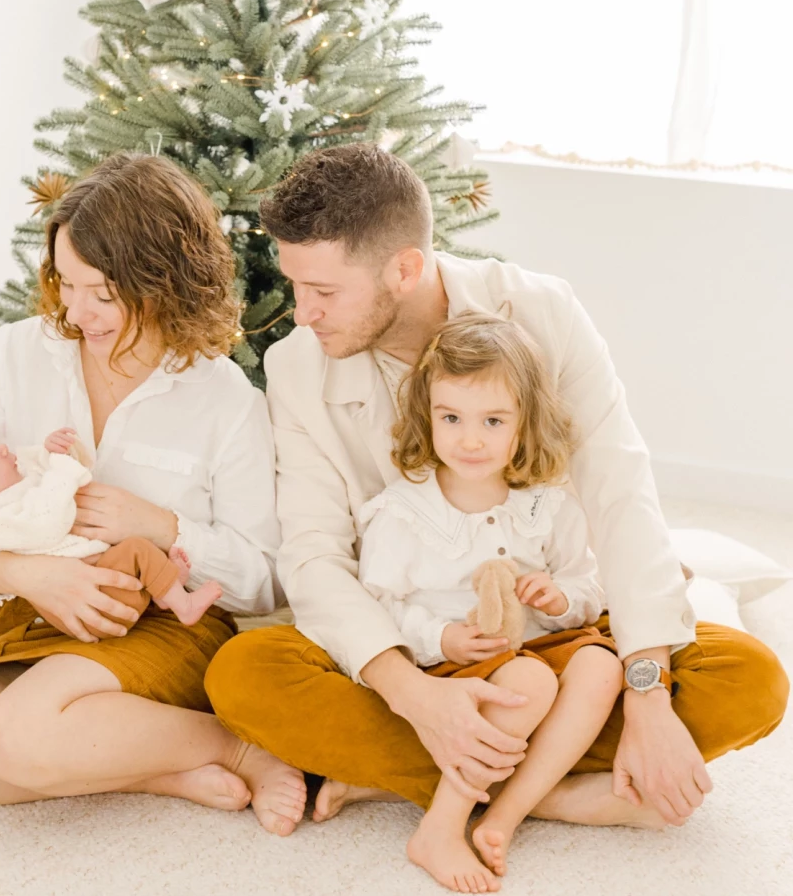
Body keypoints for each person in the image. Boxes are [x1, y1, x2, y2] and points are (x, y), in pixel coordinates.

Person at [206, 144, 788, 836]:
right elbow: (313, 555)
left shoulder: (543, 311)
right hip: (419, 643)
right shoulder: (298, 367)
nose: (303, 313)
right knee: (243, 673)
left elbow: (619, 495)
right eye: (295, 286)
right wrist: (417, 697)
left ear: (405, 269)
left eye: (324, 292)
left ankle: (417, 774)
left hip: (556, 639)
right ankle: (550, 791)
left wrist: (648, 694)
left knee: (751, 680)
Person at [0, 153, 304, 829]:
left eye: (104, 293)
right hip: (41, 615)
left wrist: (162, 526)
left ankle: (237, 749)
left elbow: (266, 582)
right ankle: (149, 768)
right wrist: (23, 573)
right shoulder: (13, 356)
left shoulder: (225, 400)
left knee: (15, 736)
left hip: (163, 626)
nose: (77, 311)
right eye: (66, 283)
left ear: (166, 282)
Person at [361, 312, 623, 892]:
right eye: (451, 418)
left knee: (602, 666)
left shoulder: (546, 504)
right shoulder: (404, 513)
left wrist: (559, 598)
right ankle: (439, 827)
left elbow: (588, 584)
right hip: (455, 667)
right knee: (528, 682)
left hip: (537, 646)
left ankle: (504, 817)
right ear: (427, 416)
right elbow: (376, 605)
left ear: (525, 423)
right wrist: (441, 636)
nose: (471, 439)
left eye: (494, 420)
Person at [0, 424, 223, 627]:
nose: (1, 448)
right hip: (88, 598)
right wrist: (61, 470)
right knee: (138, 549)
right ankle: (183, 604)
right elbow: (47, 521)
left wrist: (50, 452)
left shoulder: (4, 492)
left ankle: (164, 591)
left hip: (99, 576)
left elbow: (37, 471)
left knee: (139, 549)